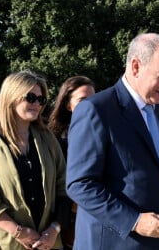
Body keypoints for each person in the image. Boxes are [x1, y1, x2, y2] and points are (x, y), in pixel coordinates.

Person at [66, 33, 159, 250]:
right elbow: (80, 184)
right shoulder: (96, 110)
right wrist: (134, 220)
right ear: (135, 66)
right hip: (116, 243)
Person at [0, 70, 68, 250]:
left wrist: (53, 230)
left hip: (49, 244)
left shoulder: (48, 139)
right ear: (11, 97)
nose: (37, 104)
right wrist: (19, 232)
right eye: (30, 97)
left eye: (41, 100)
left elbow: (64, 188)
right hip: (4, 244)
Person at [48, 76, 95, 249]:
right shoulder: (53, 141)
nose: (90, 105)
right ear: (68, 104)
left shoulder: (107, 135)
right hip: (65, 225)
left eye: (93, 99)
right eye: (82, 100)